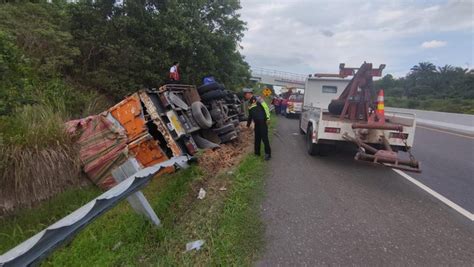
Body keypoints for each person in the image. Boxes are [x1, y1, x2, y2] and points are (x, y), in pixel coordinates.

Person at [243, 88, 271, 160]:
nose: (245, 96)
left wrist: (268, 118)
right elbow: (250, 115)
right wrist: (248, 125)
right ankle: (257, 153)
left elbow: (266, 108)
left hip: (263, 122)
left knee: (264, 138)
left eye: (245, 94)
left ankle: (268, 154)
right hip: (257, 123)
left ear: (249, 93)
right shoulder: (249, 103)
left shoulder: (258, 99)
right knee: (257, 138)